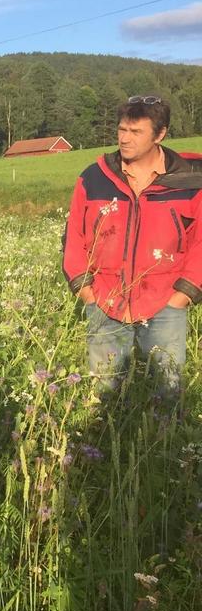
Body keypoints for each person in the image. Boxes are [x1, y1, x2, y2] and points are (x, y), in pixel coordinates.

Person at [63, 95, 202, 395]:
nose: (125, 139)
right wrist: (86, 292)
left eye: (136, 132)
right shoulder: (94, 178)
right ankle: (101, 437)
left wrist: (184, 294)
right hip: (105, 300)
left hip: (166, 302)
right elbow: (73, 236)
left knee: (167, 392)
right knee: (103, 392)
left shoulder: (189, 181)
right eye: (122, 130)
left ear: (160, 134)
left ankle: (163, 443)